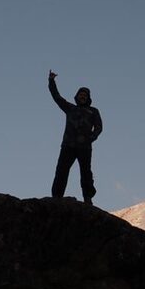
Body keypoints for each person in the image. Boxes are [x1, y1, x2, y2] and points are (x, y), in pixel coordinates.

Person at [48, 70, 102, 204]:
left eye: (85, 95)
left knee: (86, 173)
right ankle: (57, 196)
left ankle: (88, 198)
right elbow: (57, 97)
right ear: (76, 97)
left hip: (85, 147)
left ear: (88, 98)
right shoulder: (70, 108)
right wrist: (51, 81)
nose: (82, 96)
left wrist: (92, 137)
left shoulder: (93, 111)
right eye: (80, 94)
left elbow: (99, 127)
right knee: (61, 171)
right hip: (68, 145)